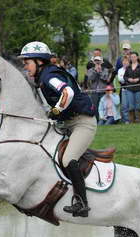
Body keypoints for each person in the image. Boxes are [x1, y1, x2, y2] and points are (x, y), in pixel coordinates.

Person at [19, 41, 95, 217]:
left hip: (82, 123)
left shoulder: (48, 76)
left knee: (68, 159)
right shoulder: (43, 77)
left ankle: (82, 204)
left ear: (39, 62)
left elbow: (68, 93)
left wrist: (55, 111)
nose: (25, 67)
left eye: (27, 62)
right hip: (67, 123)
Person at [123, 51, 140, 123]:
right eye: (131, 57)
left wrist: (139, 79)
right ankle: (132, 121)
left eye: (134, 57)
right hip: (130, 88)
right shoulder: (128, 67)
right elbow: (125, 77)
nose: (133, 58)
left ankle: (139, 120)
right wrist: (128, 79)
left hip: (139, 88)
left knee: (138, 106)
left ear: (137, 57)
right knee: (131, 106)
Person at [86, 55, 111, 122]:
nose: (97, 62)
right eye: (96, 61)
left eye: (98, 61)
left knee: (103, 106)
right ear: (94, 62)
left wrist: (100, 72)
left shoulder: (105, 70)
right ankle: (96, 120)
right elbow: (91, 78)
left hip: (103, 91)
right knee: (95, 106)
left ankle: (104, 120)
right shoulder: (90, 70)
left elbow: (105, 78)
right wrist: (95, 71)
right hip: (94, 91)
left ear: (101, 62)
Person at [117, 55, 130, 123]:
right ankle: (126, 120)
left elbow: (123, 79)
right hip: (124, 89)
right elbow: (120, 79)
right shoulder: (120, 70)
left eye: (126, 61)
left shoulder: (131, 69)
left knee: (130, 105)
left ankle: (132, 119)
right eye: (124, 61)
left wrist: (125, 79)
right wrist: (128, 79)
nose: (125, 62)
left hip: (131, 89)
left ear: (129, 62)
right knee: (124, 105)